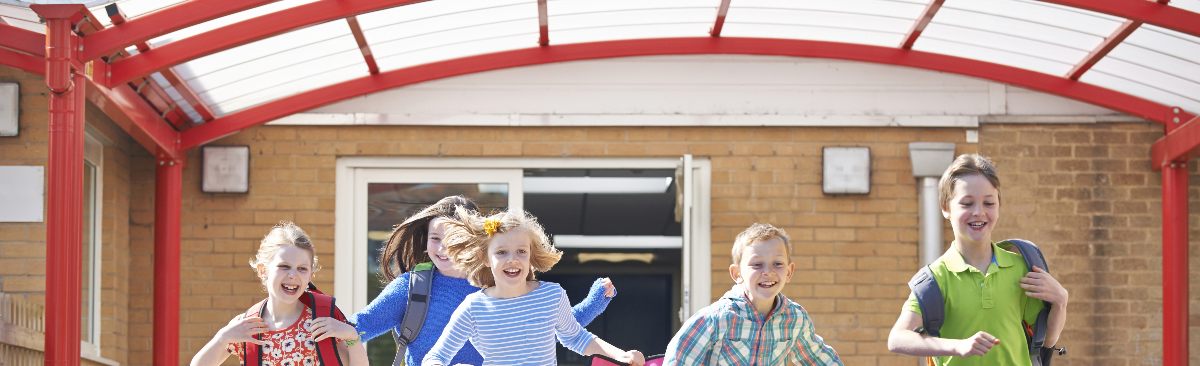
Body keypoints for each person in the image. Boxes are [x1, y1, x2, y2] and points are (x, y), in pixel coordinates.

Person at [352, 195, 616, 365]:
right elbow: (359, 326)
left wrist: (595, 302)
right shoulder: (412, 287)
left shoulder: (496, 282)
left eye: (453, 239)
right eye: (435, 239)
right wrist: (316, 315)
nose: (443, 248)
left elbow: (551, 327)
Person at [886, 153, 1069, 365]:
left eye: (989, 203)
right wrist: (957, 346)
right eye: (967, 203)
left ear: (999, 205)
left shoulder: (1022, 268)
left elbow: (1046, 341)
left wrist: (1061, 302)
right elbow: (897, 338)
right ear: (946, 207)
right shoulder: (936, 278)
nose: (978, 212)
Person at [422, 208, 644, 366]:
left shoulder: (552, 295)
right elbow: (434, 358)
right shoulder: (474, 308)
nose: (513, 259)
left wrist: (621, 356)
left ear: (530, 256)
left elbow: (576, 338)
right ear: (486, 258)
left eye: (521, 251)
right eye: (501, 252)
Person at [191, 222, 367, 366]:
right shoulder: (247, 325)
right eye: (284, 266)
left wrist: (352, 337)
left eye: (302, 269)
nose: (293, 275)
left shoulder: (321, 320)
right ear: (262, 270)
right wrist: (222, 338)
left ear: (310, 275)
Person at [664, 223, 843, 365]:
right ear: (736, 274)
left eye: (778, 264)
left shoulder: (795, 318)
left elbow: (818, 358)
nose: (768, 271)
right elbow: (678, 359)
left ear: (789, 271)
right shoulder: (717, 318)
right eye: (757, 265)